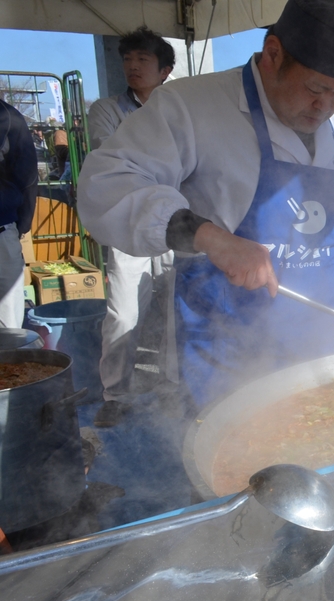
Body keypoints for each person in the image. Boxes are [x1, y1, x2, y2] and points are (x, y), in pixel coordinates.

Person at [78, 0, 334, 409]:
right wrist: (210, 237)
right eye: (315, 89)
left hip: (319, 344)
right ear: (273, 54)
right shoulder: (192, 106)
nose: (324, 107)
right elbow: (105, 182)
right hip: (226, 351)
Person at [87, 27, 178, 427]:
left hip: (176, 224)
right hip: (129, 228)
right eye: (128, 60)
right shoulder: (106, 110)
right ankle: (116, 394)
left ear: (165, 70)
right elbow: (114, 164)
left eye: (143, 60)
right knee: (124, 314)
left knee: (177, 312)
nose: (133, 67)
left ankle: (173, 388)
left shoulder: (181, 110)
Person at [0, 100, 38, 329]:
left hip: (2, 230)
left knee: (10, 326)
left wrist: (22, 223)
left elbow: (27, 175)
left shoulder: (7, 118)